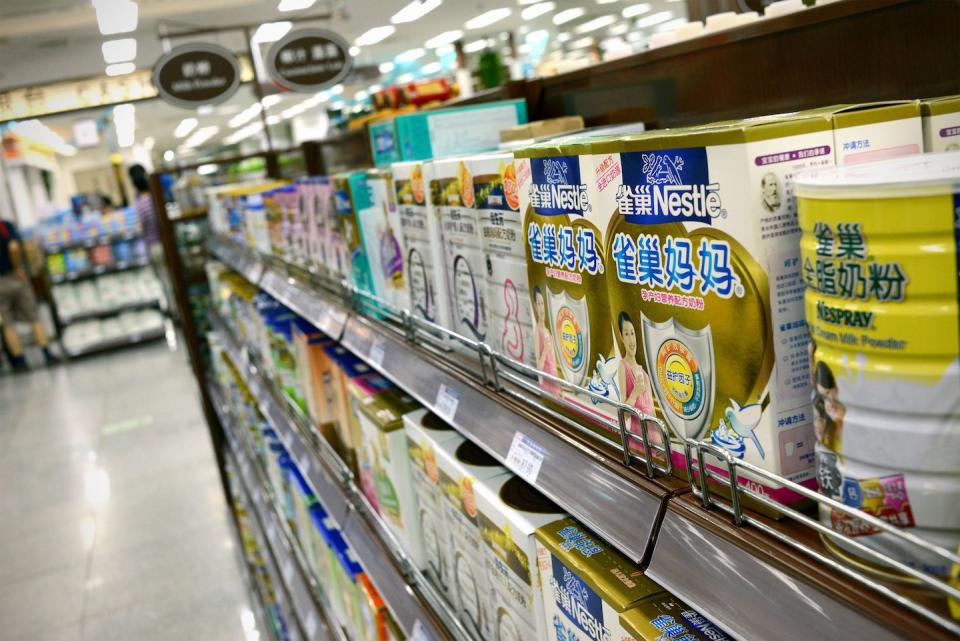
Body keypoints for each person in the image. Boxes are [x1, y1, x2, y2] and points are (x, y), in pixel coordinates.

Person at [0, 218, 56, 370]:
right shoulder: (5, 226)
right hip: (14, 277)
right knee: (34, 317)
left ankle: (20, 363)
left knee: (7, 324)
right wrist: (17, 267)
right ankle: (47, 354)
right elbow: (13, 247)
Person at [128, 164, 172, 309]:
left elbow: (141, 226)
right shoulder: (157, 198)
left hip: (154, 245)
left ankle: (173, 308)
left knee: (165, 280)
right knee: (173, 277)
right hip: (167, 243)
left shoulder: (140, 204)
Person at [615, 311, 659, 447]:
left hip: (654, 440)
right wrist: (635, 393)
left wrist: (661, 442)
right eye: (626, 334)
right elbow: (624, 416)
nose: (631, 339)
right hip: (638, 440)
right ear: (622, 338)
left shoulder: (644, 374)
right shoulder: (623, 366)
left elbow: (652, 411)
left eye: (632, 333)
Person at [533, 286, 561, 396]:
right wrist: (545, 349)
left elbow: (554, 363)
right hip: (547, 384)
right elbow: (538, 367)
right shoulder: (537, 331)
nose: (541, 308)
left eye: (542, 303)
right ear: (535, 306)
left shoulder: (548, 332)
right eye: (538, 304)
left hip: (555, 381)